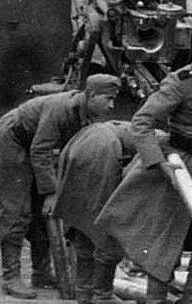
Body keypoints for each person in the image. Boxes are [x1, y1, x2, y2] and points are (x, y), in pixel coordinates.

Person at [96, 29, 192, 304]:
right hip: (178, 168)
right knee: (166, 243)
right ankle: (155, 300)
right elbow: (141, 122)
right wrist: (157, 162)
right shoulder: (179, 82)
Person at [0, 73, 120, 300]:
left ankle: (42, 273)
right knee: (16, 209)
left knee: (42, 213)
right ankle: (11, 277)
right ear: (92, 95)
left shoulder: (87, 113)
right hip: (11, 140)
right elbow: (40, 149)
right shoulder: (61, 109)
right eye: (107, 99)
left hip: (32, 146)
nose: (112, 105)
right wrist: (50, 192)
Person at [53, 120, 136, 304]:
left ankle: (85, 292)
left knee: (83, 220)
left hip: (81, 141)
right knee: (110, 224)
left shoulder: (136, 129)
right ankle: (103, 295)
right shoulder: (161, 140)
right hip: (104, 149)